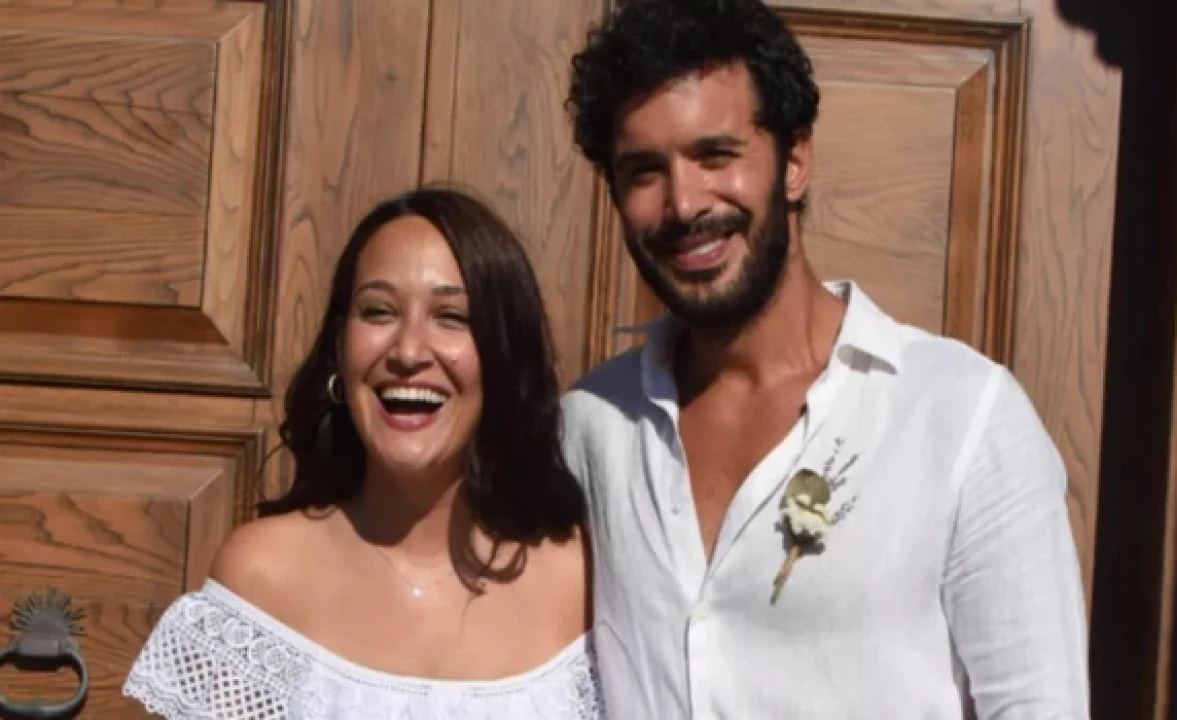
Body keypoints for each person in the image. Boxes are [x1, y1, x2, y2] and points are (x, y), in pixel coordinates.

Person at [560, 0, 1090, 717]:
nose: (683, 204)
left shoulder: (961, 419)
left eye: (715, 155)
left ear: (795, 162)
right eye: (644, 172)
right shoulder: (591, 430)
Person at [123, 186, 604, 718]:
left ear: (503, 356)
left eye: (452, 316)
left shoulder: (585, 585)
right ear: (339, 348)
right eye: (378, 311)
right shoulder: (262, 577)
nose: (408, 351)